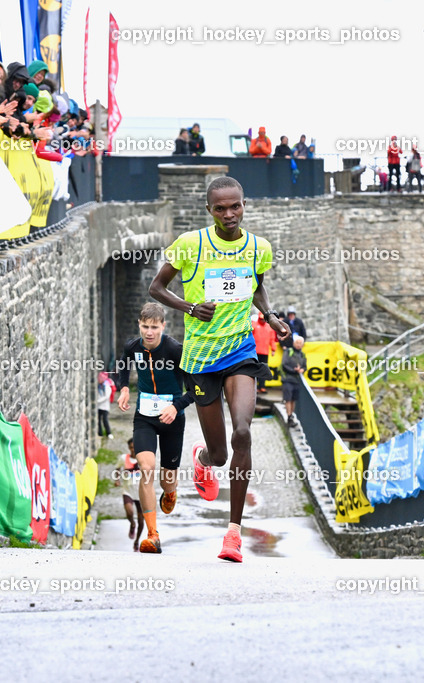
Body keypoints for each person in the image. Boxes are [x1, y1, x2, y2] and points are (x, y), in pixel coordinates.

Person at [149, 176, 291, 562]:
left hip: (241, 350)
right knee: (220, 454)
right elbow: (156, 289)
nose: (230, 214)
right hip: (200, 359)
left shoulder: (259, 247)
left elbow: (256, 285)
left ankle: (233, 534)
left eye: (236, 206)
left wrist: (271, 316)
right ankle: (203, 460)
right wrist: (189, 308)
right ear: (209, 210)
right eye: (221, 208)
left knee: (242, 433)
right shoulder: (191, 245)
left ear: (245, 204)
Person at [113, 302, 196, 554]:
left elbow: (196, 389)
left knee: (167, 480)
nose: (149, 332)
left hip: (172, 419)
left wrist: (176, 406)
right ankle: (152, 535)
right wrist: (124, 387)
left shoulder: (174, 350)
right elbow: (122, 365)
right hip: (145, 418)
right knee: (146, 470)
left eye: (154, 328)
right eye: (145, 327)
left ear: (163, 326)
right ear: (139, 325)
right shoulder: (133, 346)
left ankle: (170, 492)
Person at [116, 438, 144, 551]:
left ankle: (137, 541)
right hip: (127, 491)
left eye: (135, 447)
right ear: (129, 448)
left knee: (141, 520)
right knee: (129, 512)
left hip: (141, 492)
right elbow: (117, 469)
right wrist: (117, 479)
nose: (133, 449)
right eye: (131, 447)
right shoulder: (124, 458)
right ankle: (132, 523)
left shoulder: (143, 459)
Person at [281, 335, 306, 428]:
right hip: (287, 379)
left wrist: (302, 370)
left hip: (296, 380)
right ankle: (289, 416)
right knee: (288, 398)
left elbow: (305, 366)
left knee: (293, 399)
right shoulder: (288, 352)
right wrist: (293, 370)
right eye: (297, 343)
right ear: (294, 343)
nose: (299, 345)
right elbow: (284, 364)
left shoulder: (302, 355)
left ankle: (291, 415)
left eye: (300, 343)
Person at [251, 311, 278, 394]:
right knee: (253, 370)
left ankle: (262, 387)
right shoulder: (254, 325)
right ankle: (253, 387)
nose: (262, 321)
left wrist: (273, 349)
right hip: (255, 352)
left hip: (264, 352)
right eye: (261, 319)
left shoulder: (269, 328)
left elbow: (272, 339)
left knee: (263, 370)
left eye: (263, 319)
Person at [97, 371, 113, 438]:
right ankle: (100, 433)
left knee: (105, 419)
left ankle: (108, 433)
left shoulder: (106, 386)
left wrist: (98, 401)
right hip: (99, 406)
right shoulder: (99, 386)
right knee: (98, 420)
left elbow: (106, 396)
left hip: (105, 406)